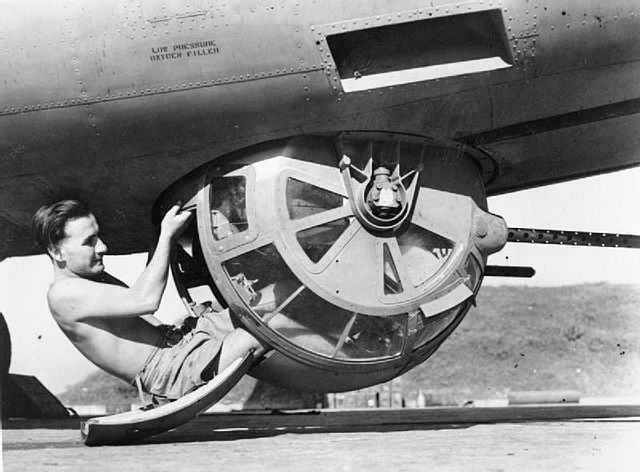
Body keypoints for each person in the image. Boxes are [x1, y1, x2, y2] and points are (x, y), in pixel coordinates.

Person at [32, 200, 264, 404]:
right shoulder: (62, 293)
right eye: (90, 241)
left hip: (182, 340)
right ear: (57, 251)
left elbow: (143, 287)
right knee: (272, 327)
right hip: (172, 371)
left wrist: (160, 235)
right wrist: (165, 235)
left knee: (273, 300)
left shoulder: (88, 280)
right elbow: (146, 299)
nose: (102, 247)